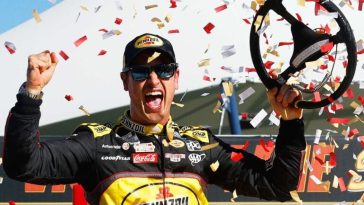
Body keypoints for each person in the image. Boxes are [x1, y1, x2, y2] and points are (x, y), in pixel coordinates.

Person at [3, 33, 306, 205]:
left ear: (176, 78)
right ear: (125, 81)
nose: (152, 80)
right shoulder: (97, 145)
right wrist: (31, 94)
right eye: (139, 72)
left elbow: (278, 185)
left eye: (163, 70)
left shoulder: (201, 146)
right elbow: (23, 165)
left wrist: (291, 123)